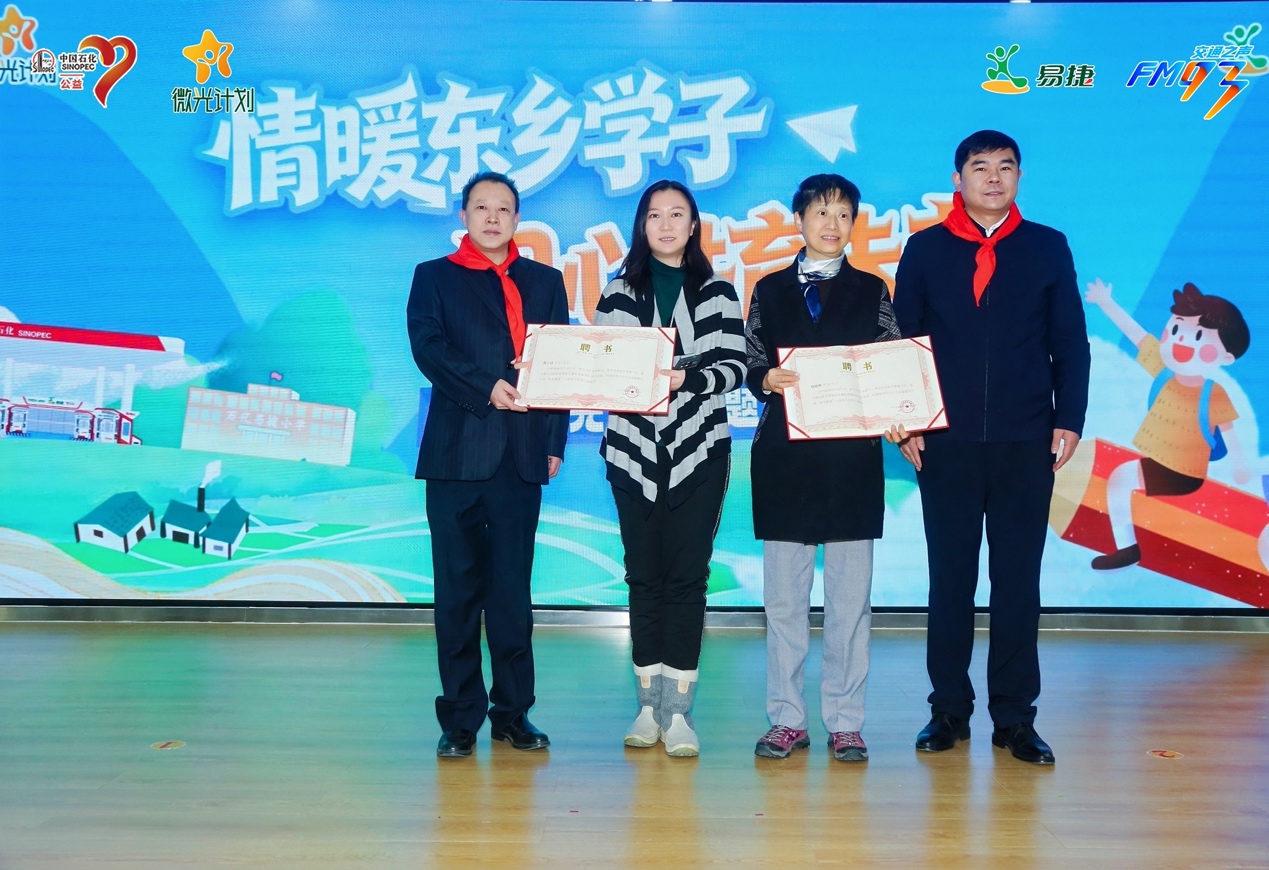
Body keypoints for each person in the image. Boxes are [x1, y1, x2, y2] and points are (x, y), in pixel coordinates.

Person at [887, 131, 1090, 765]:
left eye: (1006, 167)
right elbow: (905, 342)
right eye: (981, 167)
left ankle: (1015, 717)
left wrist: (1069, 418)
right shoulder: (925, 249)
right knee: (950, 578)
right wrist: (910, 420)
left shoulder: (1047, 246)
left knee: (1017, 582)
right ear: (959, 178)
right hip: (945, 442)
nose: (994, 178)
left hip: (1026, 439)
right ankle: (948, 709)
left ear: (1020, 177)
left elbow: (1070, 339)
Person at [406, 171, 568, 759]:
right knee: (456, 594)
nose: (493, 217)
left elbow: (559, 364)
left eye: (504, 208)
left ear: (518, 218)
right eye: (481, 207)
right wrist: (486, 387)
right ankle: (459, 719)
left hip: (521, 456)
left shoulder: (545, 281)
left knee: (511, 595)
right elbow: (429, 350)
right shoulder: (434, 277)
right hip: (456, 456)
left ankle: (513, 714)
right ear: (464, 216)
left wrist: (555, 440)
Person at [744, 174, 899, 763]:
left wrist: (898, 410)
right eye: (820, 213)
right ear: (799, 220)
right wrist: (764, 378)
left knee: (849, 603)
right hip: (784, 458)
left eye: (843, 215)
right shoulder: (769, 289)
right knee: (784, 602)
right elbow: (750, 357)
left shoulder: (872, 289)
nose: (832, 225)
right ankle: (786, 719)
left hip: (851, 461)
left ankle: (846, 721)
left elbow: (890, 362)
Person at [593, 179, 746, 757]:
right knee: (643, 576)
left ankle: (678, 712)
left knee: (687, 577)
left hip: (701, 447)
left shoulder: (718, 291)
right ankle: (645, 707)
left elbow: (735, 367)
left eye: (677, 214)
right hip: (632, 447)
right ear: (642, 225)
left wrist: (686, 376)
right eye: (654, 215)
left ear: (693, 225)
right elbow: (602, 367)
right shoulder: (617, 292)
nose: (665, 224)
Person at [1084, 277, 1252, 569]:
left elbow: (1228, 429)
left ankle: (1128, 548)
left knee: (1120, 479)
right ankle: (1127, 548)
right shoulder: (1164, 372)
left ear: (1226, 357)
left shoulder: (1212, 393)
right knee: (1120, 479)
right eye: (1175, 329)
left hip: (1183, 472)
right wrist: (1106, 303)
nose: (1181, 341)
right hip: (1161, 462)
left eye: (1197, 337)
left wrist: (1240, 465)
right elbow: (1137, 335)